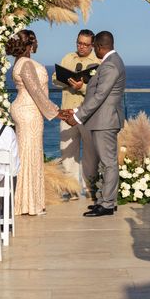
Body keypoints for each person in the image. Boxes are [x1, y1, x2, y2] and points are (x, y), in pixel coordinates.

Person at [62, 31, 126, 217]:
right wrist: (76, 112)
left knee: (108, 163)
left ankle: (107, 204)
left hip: (105, 121)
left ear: (98, 46)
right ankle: (107, 200)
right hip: (102, 120)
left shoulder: (111, 65)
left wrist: (78, 116)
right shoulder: (110, 62)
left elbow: (100, 95)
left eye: (93, 47)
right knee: (108, 163)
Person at [6, 29, 61, 216]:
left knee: (27, 153)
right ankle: (27, 204)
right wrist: (57, 112)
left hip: (27, 109)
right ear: (30, 44)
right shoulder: (26, 64)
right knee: (29, 153)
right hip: (29, 111)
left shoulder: (19, 63)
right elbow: (36, 91)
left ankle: (25, 201)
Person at [51, 29, 100, 197]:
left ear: (92, 45)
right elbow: (54, 78)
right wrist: (66, 80)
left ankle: (90, 188)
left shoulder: (97, 62)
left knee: (90, 153)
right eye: (79, 43)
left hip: (87, 114)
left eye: (86, 44)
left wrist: (82, 87)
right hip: (67, 112)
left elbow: (100, 90)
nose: (81, 47)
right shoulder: (68, 58)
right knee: (67, 152)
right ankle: (72, 190)